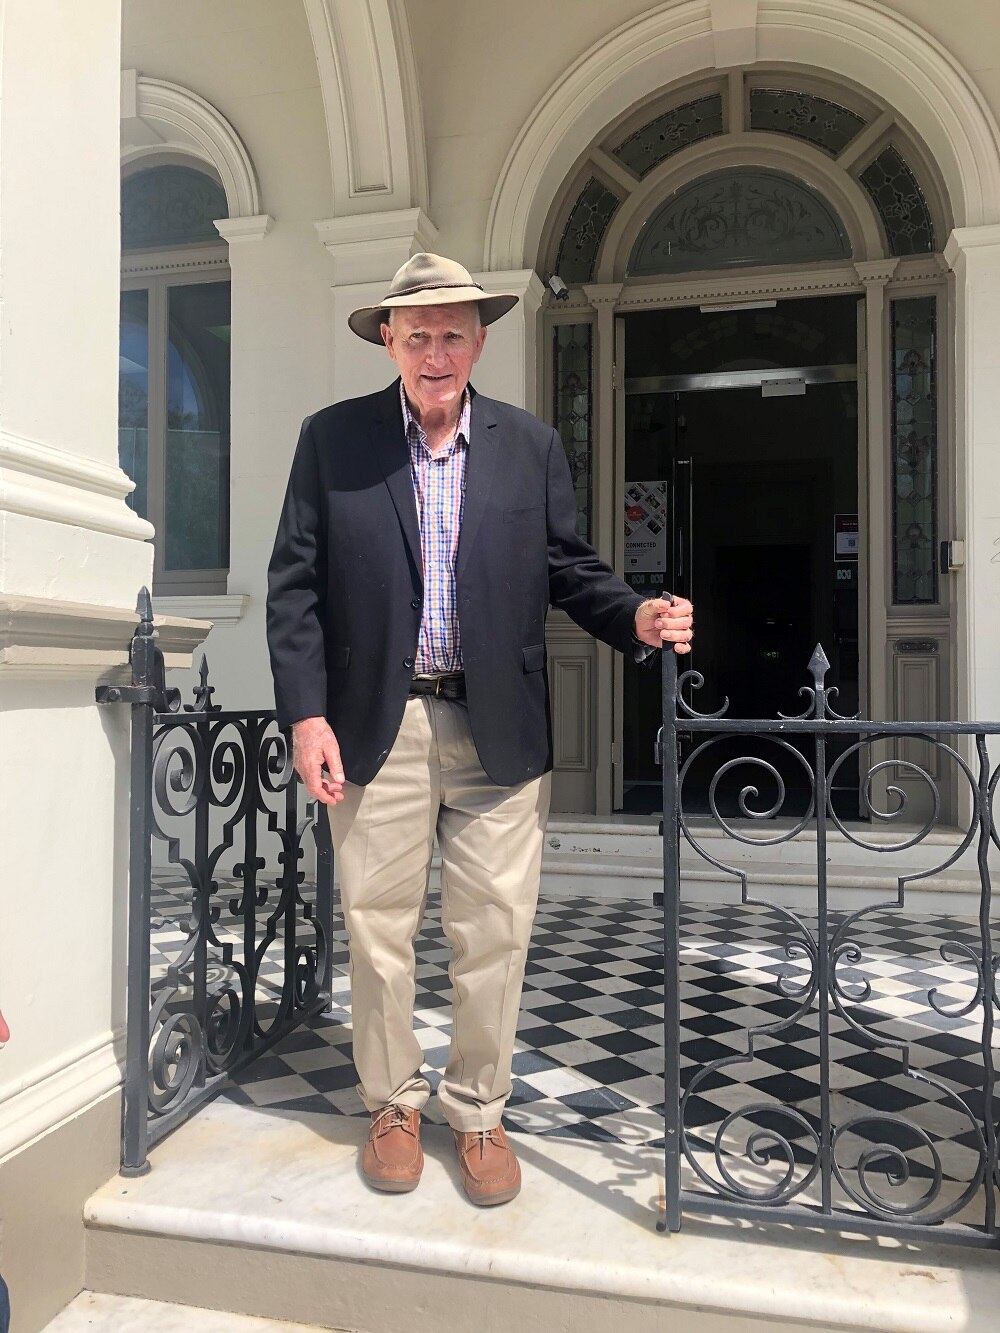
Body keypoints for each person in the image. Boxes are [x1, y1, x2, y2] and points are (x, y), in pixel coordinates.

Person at [267, 253, 693, 1207]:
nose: (434, 350)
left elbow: (571, 568)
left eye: (452, 332)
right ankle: (391, 1103)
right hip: (379, 720)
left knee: (494, 931)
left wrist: (634, 617)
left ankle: (479, 1109)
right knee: (378, 932)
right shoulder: (332, 442)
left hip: (498, 725)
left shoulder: (529, 446)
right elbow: (294, 586)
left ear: (480, 340)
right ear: (388, 339)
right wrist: (305, 714)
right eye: (415, 333)